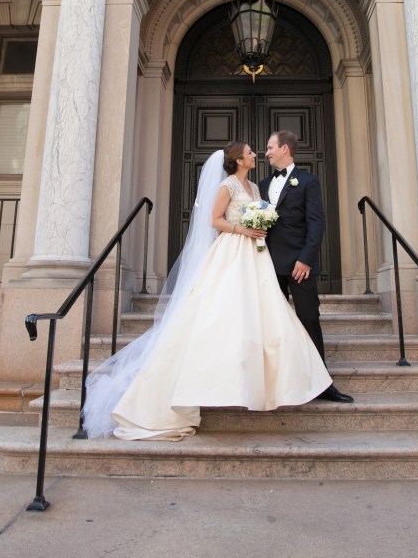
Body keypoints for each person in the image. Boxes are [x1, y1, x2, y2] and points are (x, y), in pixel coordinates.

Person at [81, 142, 333, 440]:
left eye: (260, 150)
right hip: (232, 252)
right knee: (219, 314)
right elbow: (214, 220)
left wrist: (260, 227)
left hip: (257, 255)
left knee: (265, 315)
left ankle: (274, 383)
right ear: (238, 160)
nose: (256, 155)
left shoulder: (255, 185)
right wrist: (243, 230)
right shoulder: (227, 186)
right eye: (251, 152)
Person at [263, 130, 354, 403]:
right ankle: (278, 383)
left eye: (270, 147)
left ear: (285, 149)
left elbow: (317, 223)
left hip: (298, 264)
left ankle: (323, 384)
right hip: (268, 265)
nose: (266, 152)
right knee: (272, 326)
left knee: (308, 320)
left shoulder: (308, 181)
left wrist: (305, 259)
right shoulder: (263, 182)